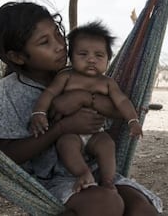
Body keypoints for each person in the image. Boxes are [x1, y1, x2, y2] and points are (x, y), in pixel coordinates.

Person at [0, 0, 162, 216]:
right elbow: (1, 155)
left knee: (142, 209)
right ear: (17, 56)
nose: (59, 45)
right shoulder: (12, 90)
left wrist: (83, 97)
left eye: (58, 34)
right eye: (44, 42)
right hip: (47, 182)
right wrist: (62, 128)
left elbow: (117, 110)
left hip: (96, 170)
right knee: (107, 204)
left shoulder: (80, 74)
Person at [30, 21, 142, 193]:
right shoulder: (66, 76)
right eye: (83, 54)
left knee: (107, 144)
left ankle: (108, 181)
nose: (91, 59)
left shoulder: (108, 83)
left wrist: (133, 120)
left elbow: (122, 102)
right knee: (66, 144)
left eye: (99, 55)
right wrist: (39, 112)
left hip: (96, 133)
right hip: (71, 133)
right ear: (71, 57)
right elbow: (50, 94)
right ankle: (84, 173)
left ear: (108, 59)